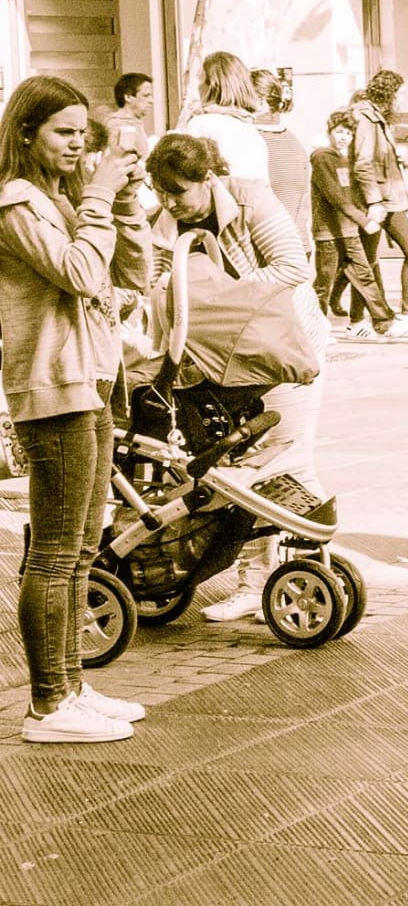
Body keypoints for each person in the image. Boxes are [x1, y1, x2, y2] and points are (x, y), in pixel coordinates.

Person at [0, 75, 150, 742]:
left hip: (91, 381)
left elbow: (133, 274)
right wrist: (97, 197)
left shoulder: (63, 199)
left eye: (83, 134)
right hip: (52, 387)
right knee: (55, 553)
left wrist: (124, 202)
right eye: (63, 132)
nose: (77, 144)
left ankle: (72, 688)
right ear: (26, 133)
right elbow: (83, 274)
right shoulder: (17, 206)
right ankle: (47, 704)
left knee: (83, 549)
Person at [148, 133, 332, 620]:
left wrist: (227, 301)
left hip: (283, 350)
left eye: (179, 192)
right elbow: (159, 286)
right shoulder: (165, 225)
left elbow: (293, 267)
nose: (170, 204)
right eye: (161, 194)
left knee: (286, 462)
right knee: (240, 474)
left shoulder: (251, 197)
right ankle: (263, 581)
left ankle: (303, 575)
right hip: (219, 364)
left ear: (208, 179)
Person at [350, 69, 408, 337]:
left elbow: (377, 158)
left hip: (390, 200)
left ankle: (399, 314)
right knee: (369, 261)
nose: (404, 98)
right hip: (377, 201)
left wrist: (398, 157)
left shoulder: (379, 118)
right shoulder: (365, 118)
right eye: (401, 93)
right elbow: (362, 164)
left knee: (407, 251)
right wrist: (374, 202)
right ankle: (365, 320)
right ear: (389, 94)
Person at [312, 110, 395, 341]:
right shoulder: (322, 158)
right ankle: (317, 328)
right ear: (330, 132)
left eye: (348, 133)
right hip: (328, 232)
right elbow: (335, 197)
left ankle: (384, 322)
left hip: (349, 230)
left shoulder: (344, 158)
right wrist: (364, 220)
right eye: (339, 132)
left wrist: (369, 211)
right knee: (324, 285)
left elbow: (349, 196)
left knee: (365, 275)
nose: (343, 137)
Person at [181, 51, 269, 182]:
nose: (197, 86)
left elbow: (188, 180)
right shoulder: (249, 128)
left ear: (212, 85)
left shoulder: (201, 124)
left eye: (200, 78)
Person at [251, 69, 311, 258]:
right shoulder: (294, 141)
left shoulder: (252, 140)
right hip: (297, 245)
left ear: (259, 102)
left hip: (266, 249)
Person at [106, 72, 153, 161]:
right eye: (146, 96)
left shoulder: (134, 122)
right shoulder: (120, 125)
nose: (151, 101)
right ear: (128, 97)